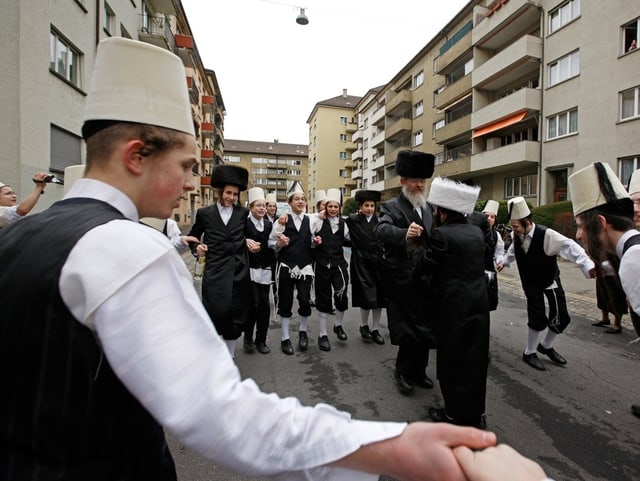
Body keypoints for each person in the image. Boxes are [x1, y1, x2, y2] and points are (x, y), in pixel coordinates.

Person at [0, 37, 509, 481]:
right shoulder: (129, 248)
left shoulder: (19, 238)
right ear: (136, 155)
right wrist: (397, 452)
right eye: (183, 165)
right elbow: (222, 414)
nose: (188, 184)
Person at [411, 177, 490, 429]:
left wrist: (416, 245)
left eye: (436, 210)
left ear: (443, 212)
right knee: (475, 362)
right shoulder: (476, 232)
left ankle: (454, 414)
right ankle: (476, 413)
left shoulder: (442, 235)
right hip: (478, 305)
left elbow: (425, 266)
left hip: (453, 308)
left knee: (451, 362)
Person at [568, 162, 640, 418]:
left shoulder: (634, 258)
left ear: (600, 222)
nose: (578, 235)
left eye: (580, 225)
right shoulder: (630, 252)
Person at [503, 197, 596, 371]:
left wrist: (588, 265)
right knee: (536, 317)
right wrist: (504, 261)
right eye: (512, 226)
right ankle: (529, 351)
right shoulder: (517, 235)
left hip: (549, 279)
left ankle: (545, 346)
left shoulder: (548, 235)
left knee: (562, 316)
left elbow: (570, 246)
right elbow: (512, 251)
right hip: (530, 282)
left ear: (527, 222)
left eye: (516, 226)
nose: (513, 230)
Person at [375, 150, 436, 394]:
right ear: (403, 181)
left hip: (426, 277)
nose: (419, 185)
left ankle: (420, 371)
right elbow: (380, 231)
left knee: (425, 326)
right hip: (402, 277)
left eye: (423, 180)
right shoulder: (391, 206)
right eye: (415, 180)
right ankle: (402, 372)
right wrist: (404, 234)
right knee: (408, 328)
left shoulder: (430, 207)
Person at [188, 164, 252, 357]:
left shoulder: (242, 213)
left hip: (237, 272)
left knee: (234, 315)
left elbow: (248, 234)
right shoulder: (205, 214)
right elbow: (193, 236)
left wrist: (250, 242)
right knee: (215, 313)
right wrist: (196, 247)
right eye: (228, 193)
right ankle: (215, 356)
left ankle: (230, 356)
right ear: (219, 191)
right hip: (214, 273)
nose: (232, 198)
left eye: (235, 194)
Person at [270, 184, 320, 355]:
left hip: (305, 266)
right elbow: (271, 244)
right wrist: (279, 243)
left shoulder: (311, 220)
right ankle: (285, 337)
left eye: (303, 199)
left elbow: (312, 240)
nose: (301, 201)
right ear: (289, 202)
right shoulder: (281, 221)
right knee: (285, 301)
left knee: (305, 300)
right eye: (297, 199)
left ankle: (303, 331)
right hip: (286, 266)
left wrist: (315, 242)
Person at [311, 188, 350, 350]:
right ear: (325, 207)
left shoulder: (344, 224)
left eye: (336, 207)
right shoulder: (318, 221)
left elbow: (350, 239)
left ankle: (338, 325)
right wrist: (314, 242)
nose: (333, 209)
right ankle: (323, 335)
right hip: (321, 265)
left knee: (341, 293)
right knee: (324, 299)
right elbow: (309, 240)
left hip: (339, 264)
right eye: (330, 206)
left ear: (339, 208)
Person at [345, 189, 386, 345]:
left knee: (379, 297)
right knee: (366, 295)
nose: (370, 208)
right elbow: (339, 229)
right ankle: (364, 326)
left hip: (378, 261)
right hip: (361, 261)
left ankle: (375, 329)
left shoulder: (381, 222)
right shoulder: (352, 220)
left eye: (372, 206)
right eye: (366, 205)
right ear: (360, 207)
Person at [244, 187, 276, 354]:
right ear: (251, 207)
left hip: (265, 269)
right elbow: (235, 238)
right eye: (258, 205)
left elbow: (272, 245)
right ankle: (248, 338)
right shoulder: (245, 223)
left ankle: (261, 340)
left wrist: (280, 243)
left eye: (264, 205)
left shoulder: (269, 224)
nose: (262, 208)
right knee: (252, 305)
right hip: (249, 270)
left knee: (264, 305)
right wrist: (246, 241)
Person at [482, 200, 505, 311]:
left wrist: (500, 261)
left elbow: (499, 252)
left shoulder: (497, 235)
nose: (490, 218)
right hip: (475, 269)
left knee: (487, 303)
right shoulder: (475, 231)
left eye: (492, 216)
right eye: (487, 216)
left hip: (489, 270)